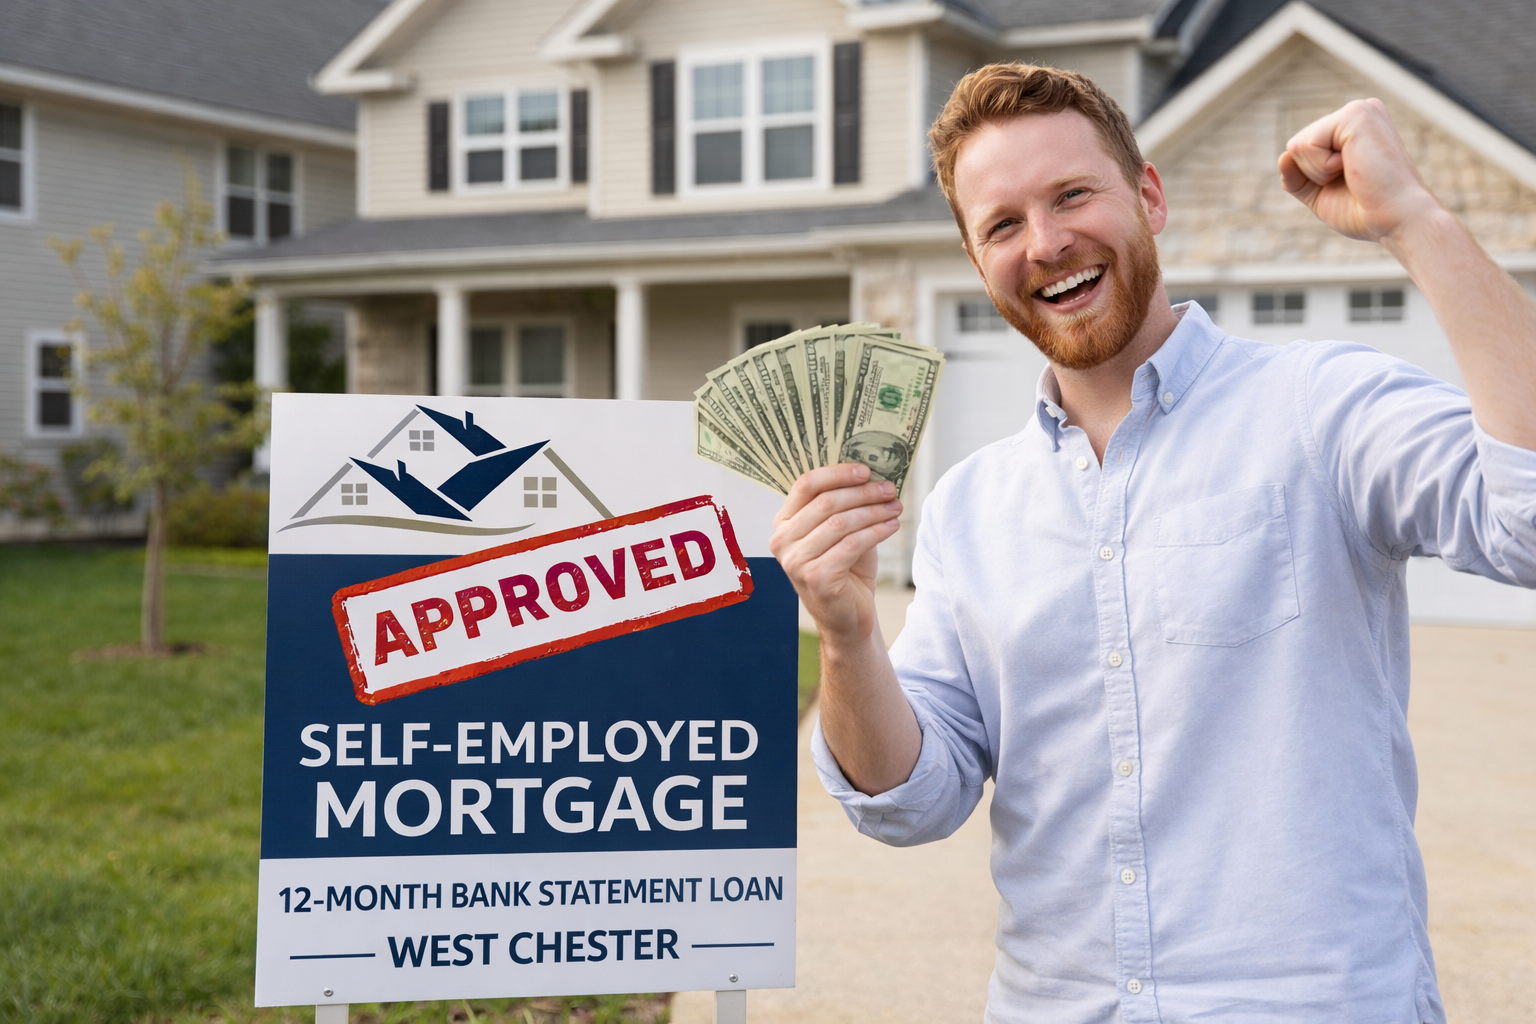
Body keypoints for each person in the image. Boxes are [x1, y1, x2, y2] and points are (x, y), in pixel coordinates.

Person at [769, 62, 1536, 1023]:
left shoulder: (1319, 408)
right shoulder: (970, 506)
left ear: (1150, 197)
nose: (1047, 243)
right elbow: (911, 800)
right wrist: (845, 637)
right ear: (977, 262)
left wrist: (1414, 221)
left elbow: (1530, 521)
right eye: (1003, 224)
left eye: (1073, 194)